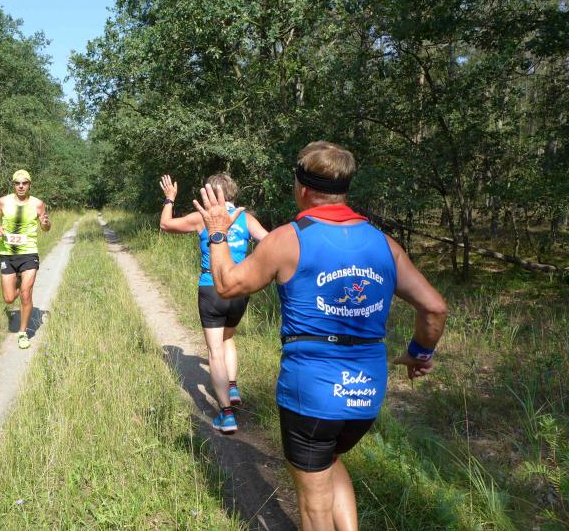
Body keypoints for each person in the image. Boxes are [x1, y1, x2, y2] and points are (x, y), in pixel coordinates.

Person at [192, 141, 447, 530]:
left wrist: (216, 233)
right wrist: (419, 353)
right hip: (366, 390)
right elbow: (434, 308)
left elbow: (227, 285)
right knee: (330, 460)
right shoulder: (384, 243)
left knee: (313, 507)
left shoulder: (289, 239)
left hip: (311, 391)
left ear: (303, 188)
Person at [159, 173, 268, 433]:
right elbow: (270, 242)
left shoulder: (202, 218)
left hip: (211, 287)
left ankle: (226, 415)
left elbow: (165, 224)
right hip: (240, 287)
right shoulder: (246, 218)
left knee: (215, 351)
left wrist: (169, 198)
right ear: (232, 192)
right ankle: (232, 387)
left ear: (210, 192)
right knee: (228, 339)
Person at [0, 169, 51, 349]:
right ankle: (18, 280)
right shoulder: (3, 201)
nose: (21, 186)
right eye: (18, 183)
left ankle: (23, 333)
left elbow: (46, 227)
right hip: (7, 254)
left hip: (29, 253)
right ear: (14, 185)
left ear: (30, 185)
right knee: (9, 299)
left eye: (25, 183)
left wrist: (45, 223)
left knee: (26, 293)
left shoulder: (38, 204)